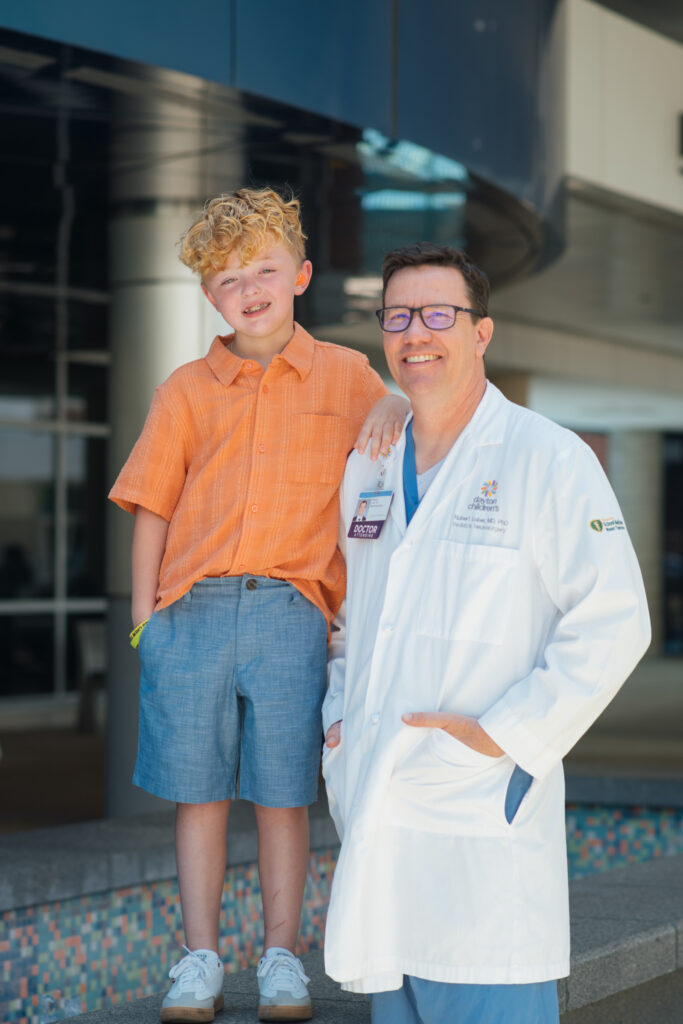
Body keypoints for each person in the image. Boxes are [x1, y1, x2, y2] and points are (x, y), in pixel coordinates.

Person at [322, 242, 651, 1024]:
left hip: (477, 825)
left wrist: (501, 735)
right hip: (377, 823)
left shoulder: (548, 458)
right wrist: (337, 720)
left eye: (440, 313)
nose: (416, 332)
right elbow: (348, 617)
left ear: (481, 333)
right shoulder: (367, 465)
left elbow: (615, 619)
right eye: (397, 315)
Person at [109, 187, 408, 1024]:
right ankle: (198, 959)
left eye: (264, 269)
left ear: (301, 274)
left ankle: (283, 956)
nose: (248, 288)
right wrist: (145, 621)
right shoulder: (184, 389)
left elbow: (405, 429)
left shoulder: (348, 376)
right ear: (209, 296)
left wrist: (393, 398)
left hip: (291, 616)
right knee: (196, 793)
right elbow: (152, 507)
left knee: (283, 795)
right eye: (228, 277)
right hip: (191, 612)